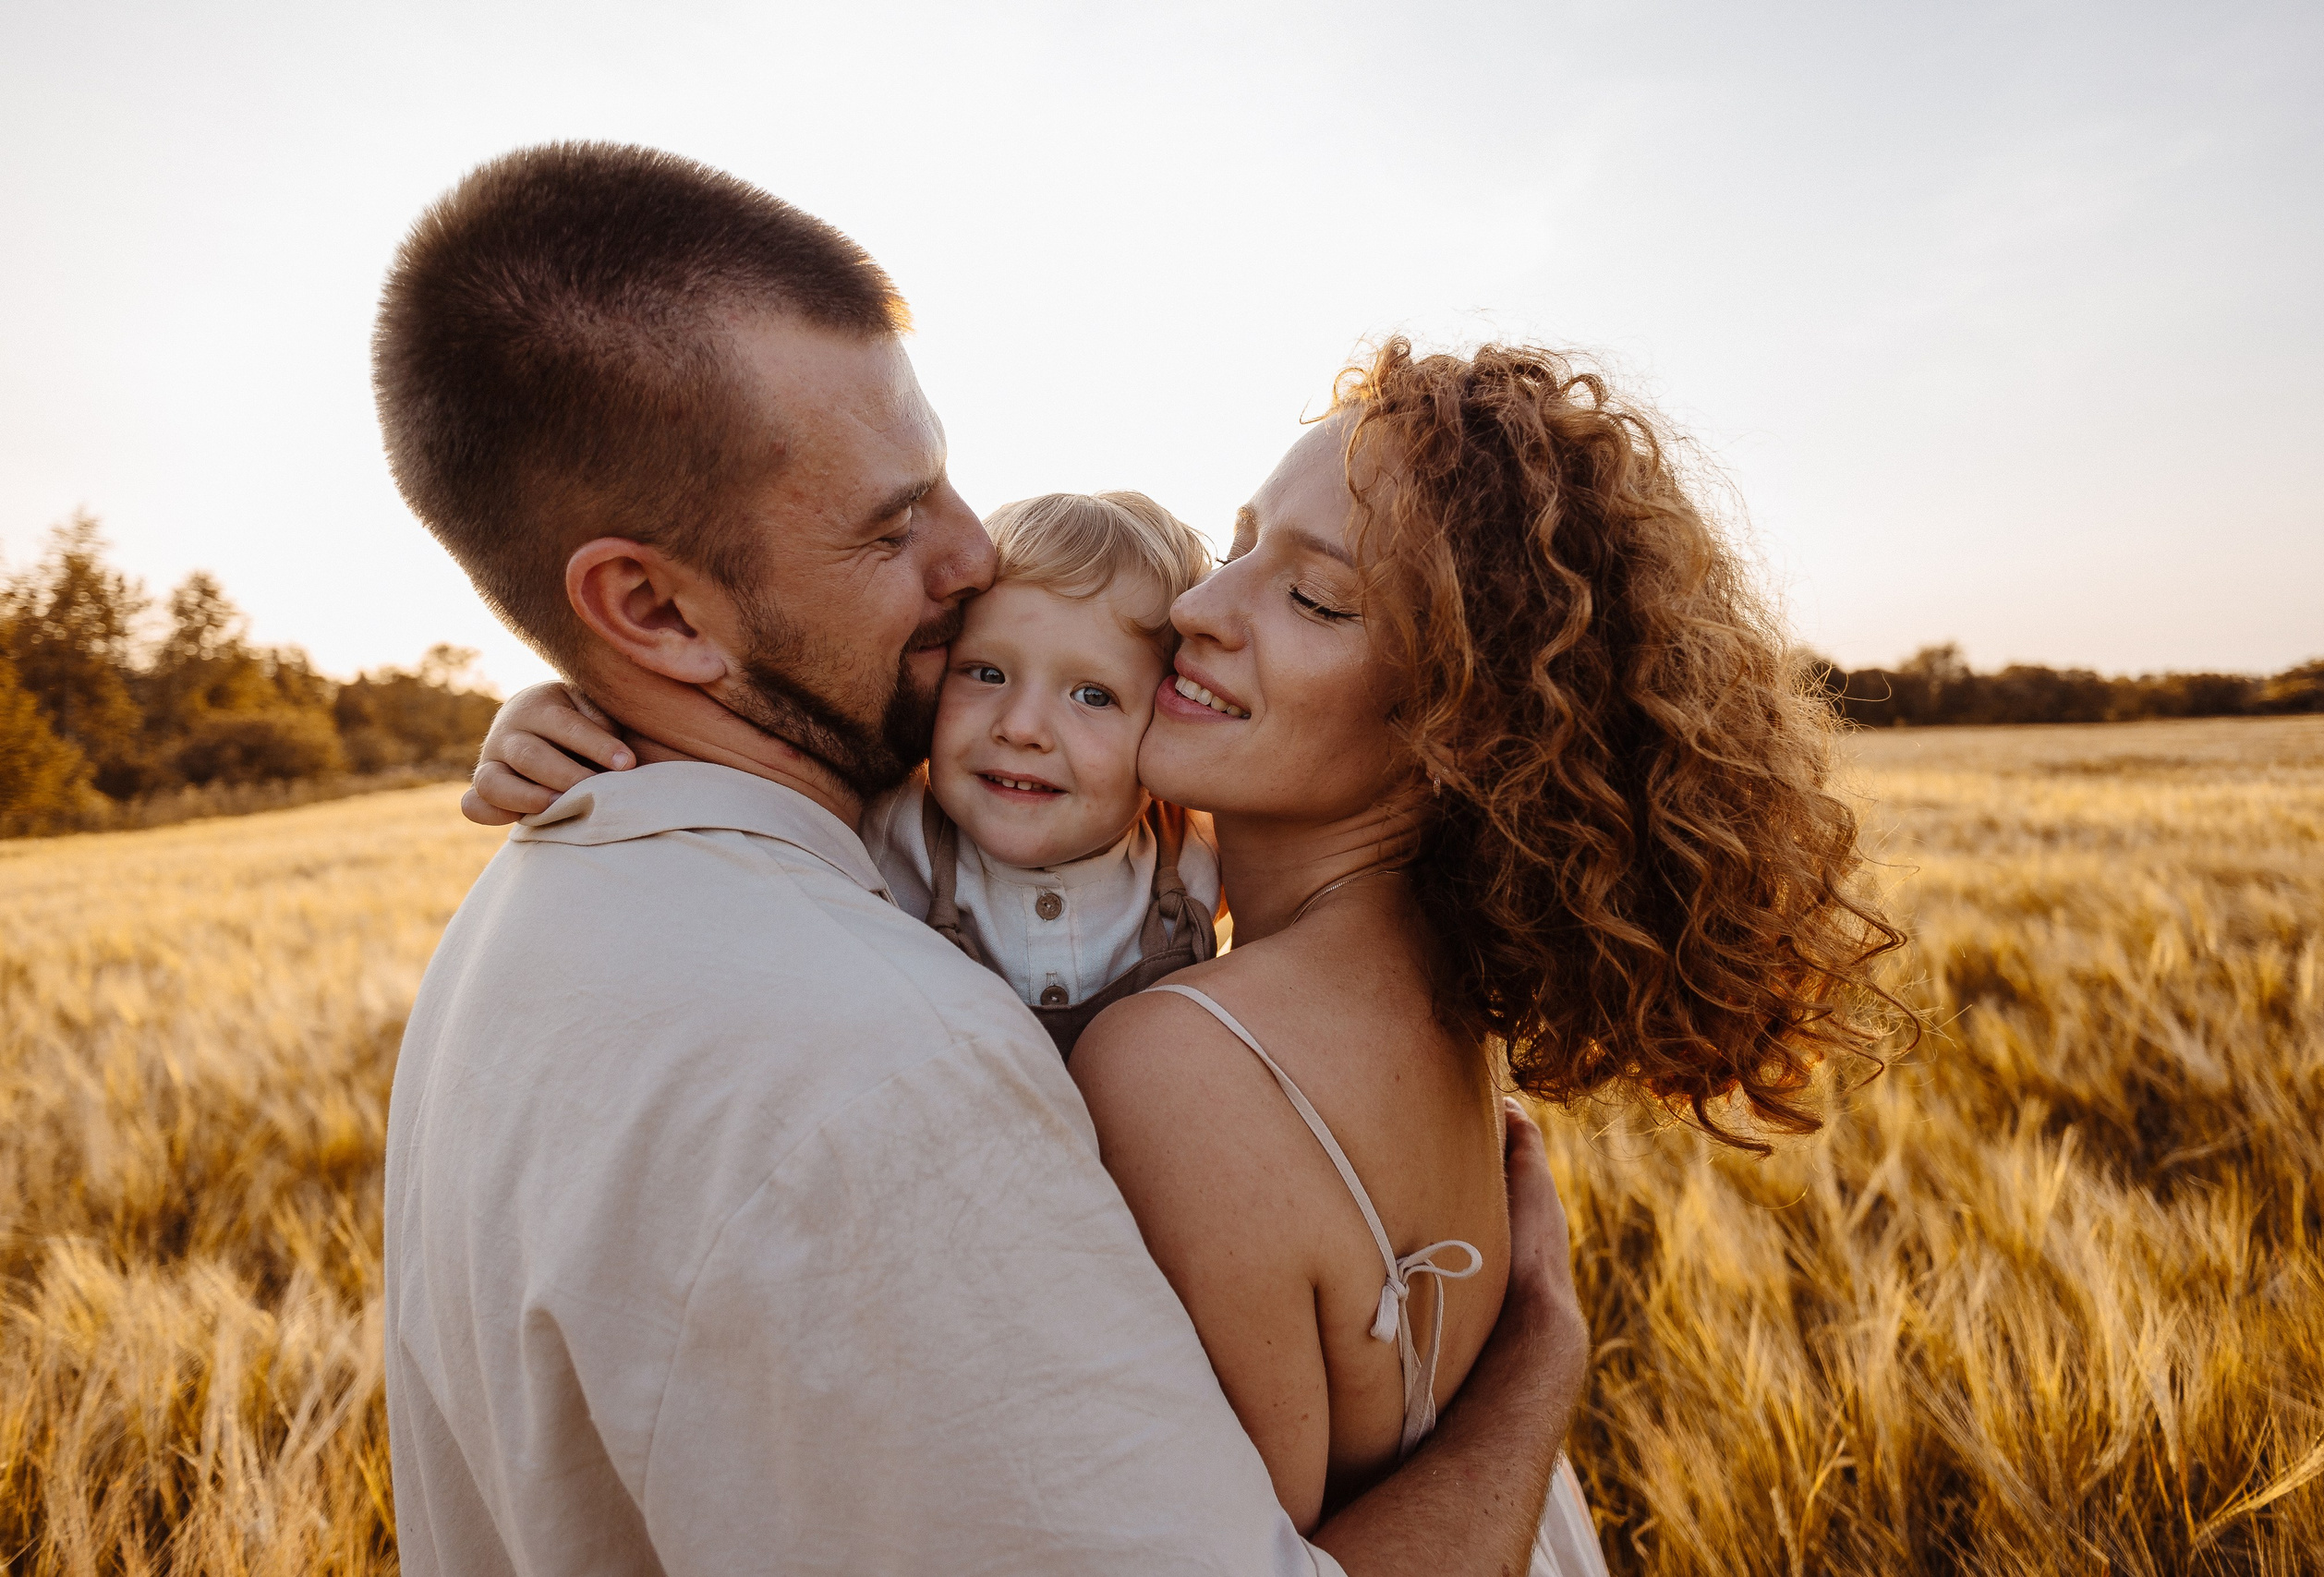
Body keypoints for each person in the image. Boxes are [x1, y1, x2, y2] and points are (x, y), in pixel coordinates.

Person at [475, 345, 1904, 1569]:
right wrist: (612, 700)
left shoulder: (1184, 1060)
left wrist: (1545, 1366)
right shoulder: (1416, 976)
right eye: (1239, 543)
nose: (1204, 607)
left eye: (1318, 600)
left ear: (1462, 723)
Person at [375, 140, 1592, 1577]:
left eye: (945, 483)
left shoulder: (543, 901)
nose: (972, 554)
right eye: (896, 522)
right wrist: (1537, 1366)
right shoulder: (888, 1079)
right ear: (651, 608)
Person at [479, 489, 1227, 1060]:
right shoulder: (884, 816)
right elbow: (700, 751)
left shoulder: (1197, 852)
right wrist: (545, 713)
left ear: (1168, 720)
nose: (1021, 726)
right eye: (986, 672)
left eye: (1092, 695)